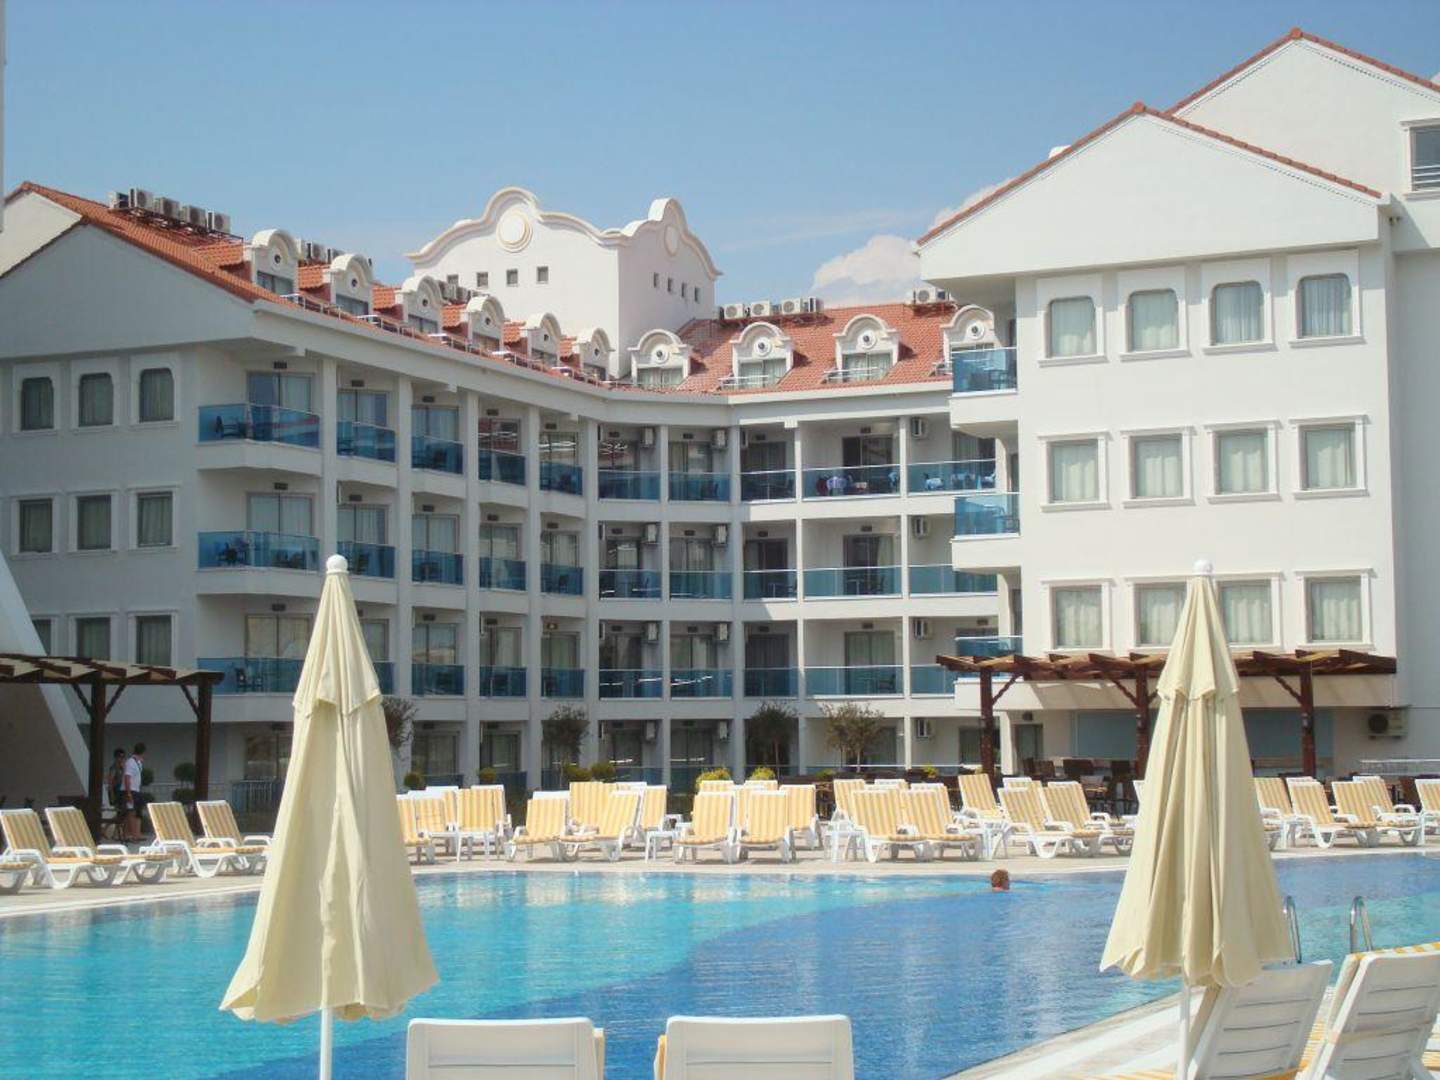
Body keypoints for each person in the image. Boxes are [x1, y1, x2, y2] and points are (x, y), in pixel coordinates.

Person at [122, 743, 146, 842]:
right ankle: (131, 835)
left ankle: (137, 833)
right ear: (143, 753)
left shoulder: (139, 763)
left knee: (138, 812)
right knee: (131, 812)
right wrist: (128, 793)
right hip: (130, 790)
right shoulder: (130, 762)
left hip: (136, 790)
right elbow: (127, 778)